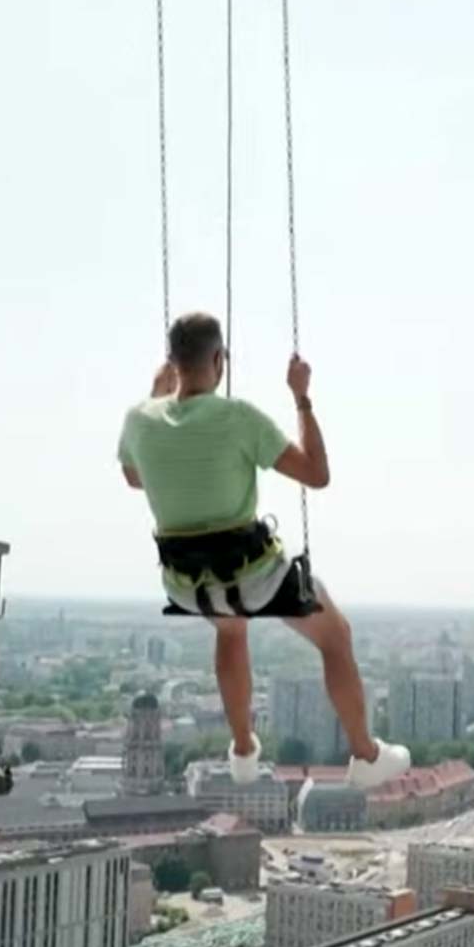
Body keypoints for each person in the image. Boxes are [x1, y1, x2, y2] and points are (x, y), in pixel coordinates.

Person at [118, 312, 411, 789]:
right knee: (335, 636)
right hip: (252, 574)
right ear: (218, 360)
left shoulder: (138, 419)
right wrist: (301, 398)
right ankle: (365, 754)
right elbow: (317, 473)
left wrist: (156, 395)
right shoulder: (238, 418)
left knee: (230, 630)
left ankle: (243, 750)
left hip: (188, 584)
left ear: (172, 364)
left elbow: (135, 477)